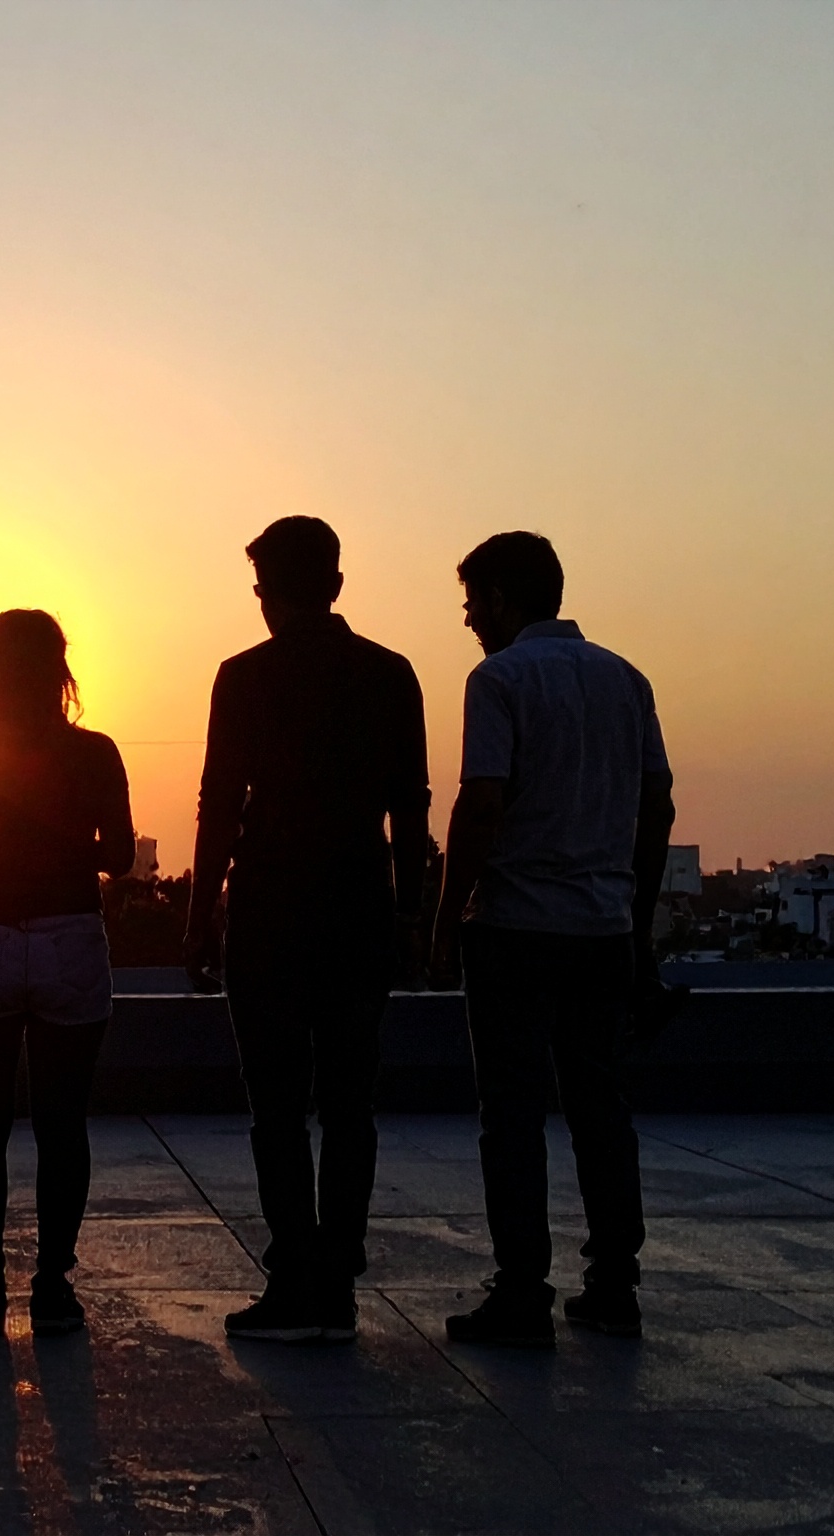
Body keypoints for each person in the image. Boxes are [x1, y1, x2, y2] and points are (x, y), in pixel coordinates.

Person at [185, 517, 430, 1344]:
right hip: (360, 905)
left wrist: (197, 918)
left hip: (271, 911)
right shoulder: (391, 674)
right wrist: (412, 913)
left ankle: (297, 1271)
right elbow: (413, 808)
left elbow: (220, 801)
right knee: (350, 1103)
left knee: (279, 1106)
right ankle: (340, 1271)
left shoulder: (246, 678)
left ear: (272, 591)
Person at [428, 531, 673, 1348]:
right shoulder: (626, 679)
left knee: (513, 1114)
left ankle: (523, 1290)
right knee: (602, 1109)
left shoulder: (497, 680)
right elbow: (658, 808)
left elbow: (482, 803)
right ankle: (613, 1283)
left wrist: (440, 919)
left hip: (514, 930)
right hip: (602, 931)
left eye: (471, 604)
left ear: (499, 598)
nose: (467, 621)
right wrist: (635, 925)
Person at [0, 610, 136, 1337]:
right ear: (60, 667)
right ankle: (52, 1286)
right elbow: (120, 856)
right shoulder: (95, 751)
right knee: (62, 1125)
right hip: (70, 938)